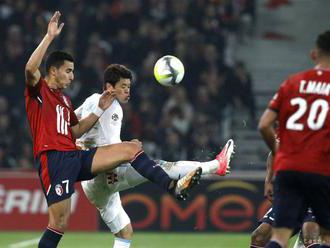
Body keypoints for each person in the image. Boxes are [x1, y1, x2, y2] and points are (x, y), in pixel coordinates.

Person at [24, 11, 202, 248]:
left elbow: (76, 132)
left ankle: (172, 186)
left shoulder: (65, 100)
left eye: (73, 71)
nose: (72, 76)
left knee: (131, 148)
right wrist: (49, 37)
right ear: (53, 71)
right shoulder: (39, 91)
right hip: (53, 159)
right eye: (68, 70)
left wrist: (99, 109)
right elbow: (29, 69)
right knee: (59, 223)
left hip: (73, 155)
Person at [75, 63, 235, 248]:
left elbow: (72, 122)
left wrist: (79, 143)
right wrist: (129, 147)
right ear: (110, 87)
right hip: (105, 174)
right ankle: (216, 166)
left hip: (92, 187)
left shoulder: (91, 100)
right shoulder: (111, 107)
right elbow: (112, 148)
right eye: (123, 87)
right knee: (159, 166)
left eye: (129, 87)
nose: (128, 91)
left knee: (125, 232)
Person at [258, 30, 330, 248]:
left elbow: (264, 125)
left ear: (313, 54)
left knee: (279, 236)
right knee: (324, 236)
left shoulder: (293, 83)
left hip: (289, 169)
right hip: (321, 170)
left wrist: (280, 159)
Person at [250, 152, 320, 248]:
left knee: (309, 236)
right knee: (259, 237)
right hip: (292, 195)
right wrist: (268, 180)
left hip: (317, 194)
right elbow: (274, 150)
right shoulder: (289, 138)